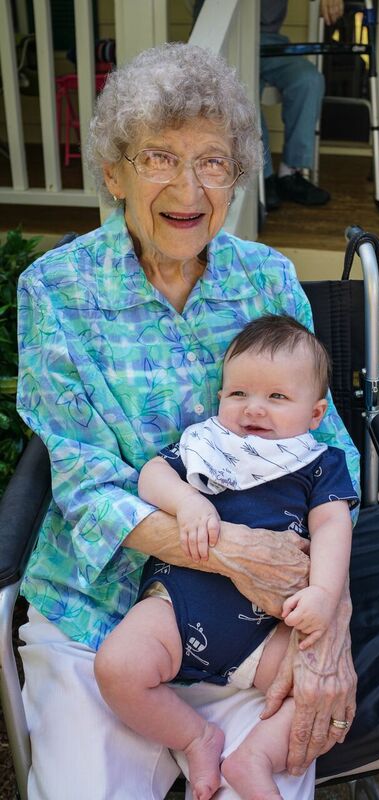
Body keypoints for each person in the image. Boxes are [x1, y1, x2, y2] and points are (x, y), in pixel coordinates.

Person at [16, 41, 359, 800]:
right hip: (102, 615)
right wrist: (230, 551)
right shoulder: (56, 291)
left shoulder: (266, 278)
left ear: (235, 178)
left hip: (259, 620)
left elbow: (329, 451)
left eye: (212, 162)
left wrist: (328, 619)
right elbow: (85, 481)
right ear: (114, 173)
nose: (188, 187)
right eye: (159, 157)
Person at [94, 314, 358, 800]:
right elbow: (152, 475)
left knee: (319, 694)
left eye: (277, 396)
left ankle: (254, 757)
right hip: (178, 606)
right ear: (220, 397)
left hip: (267, 629)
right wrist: (186, 501)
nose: (254, 408)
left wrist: (323, 593)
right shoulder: (206, 443)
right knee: (117, 668)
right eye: (239, 393)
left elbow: (331, 526)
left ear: (315, 414)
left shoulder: (317, 463)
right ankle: (196, 737)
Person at [193, 0, 345, 211]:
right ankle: (263, 177)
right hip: (231, 37)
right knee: (244, 90)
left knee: (309, 80)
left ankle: (290, 173)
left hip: (270, 42)